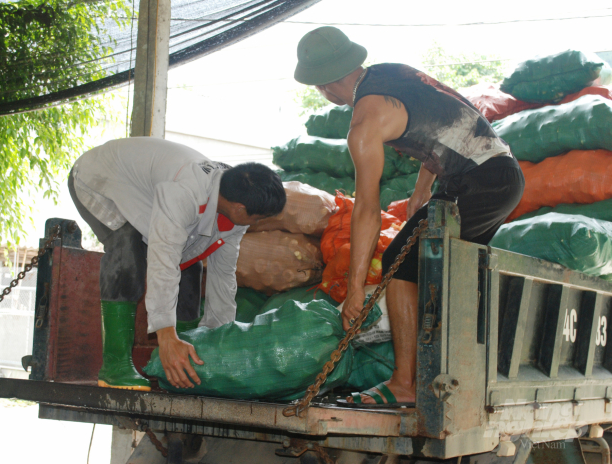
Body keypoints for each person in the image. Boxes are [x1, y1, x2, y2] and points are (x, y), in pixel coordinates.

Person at [294, 27, 524, 406]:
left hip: (481, 181)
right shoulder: (395, 73)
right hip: (495, 175)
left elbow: (367, 207)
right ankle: (456, 377)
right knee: (447, 272)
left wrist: (354, 289)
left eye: (320, 88)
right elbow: (446, 122)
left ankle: (405, 383)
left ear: (325, 83)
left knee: (401, 266)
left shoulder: (365, 123)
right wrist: (422, 191)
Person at [68, 137, 286, 391]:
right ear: (239, 208)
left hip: (149, 195)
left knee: (190, 265)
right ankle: (115, 366)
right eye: (259, 218)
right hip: (102, 180)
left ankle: (183, 363)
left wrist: (219, 338)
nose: (257, 223)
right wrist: (166, 335)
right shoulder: (186, 193)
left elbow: (223, 275)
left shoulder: (234, 204)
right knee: (128, 250)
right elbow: (163, 260)